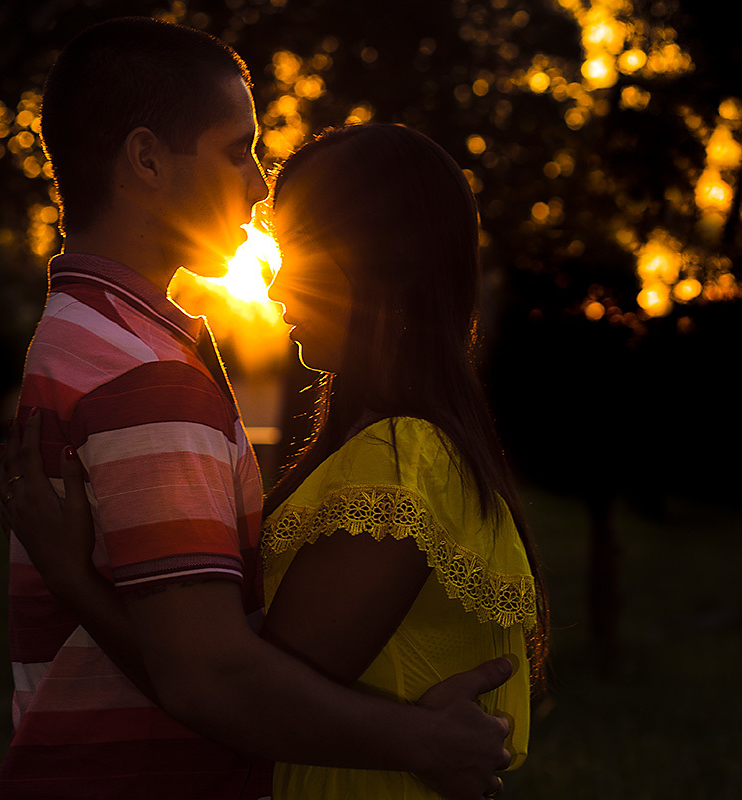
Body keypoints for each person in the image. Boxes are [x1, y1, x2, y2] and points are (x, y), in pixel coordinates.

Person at [0, 17, 513, 800]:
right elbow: (212, 678)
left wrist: (75, 579)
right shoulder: (145, 378)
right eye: (239, 150)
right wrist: (422, 741)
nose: (258, 184)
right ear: (146, 159)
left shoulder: (86, 340)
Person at [257, 122, 549, 798]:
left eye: (298, 251)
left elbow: (246, 700)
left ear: (387, 261)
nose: (275, 288)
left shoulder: (402, 462)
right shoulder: (391, 449)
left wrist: (75, 579)